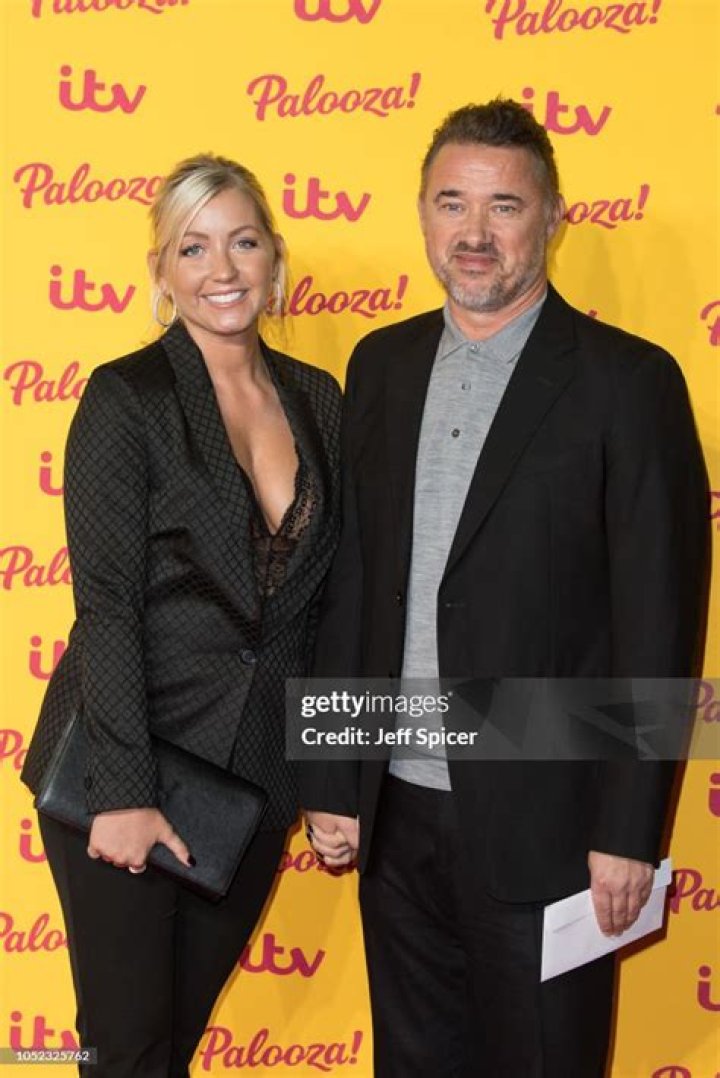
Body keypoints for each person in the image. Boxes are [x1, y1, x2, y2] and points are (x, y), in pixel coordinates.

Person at [301, 100, 709, 1076]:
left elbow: (657, 618)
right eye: (453, 203)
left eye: (504, 206)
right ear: (424, 214)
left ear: (552, 219)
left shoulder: (629, 382)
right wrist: (330, 772)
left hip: (553, 827)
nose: (475, 232)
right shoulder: (381, 363)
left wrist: (628, 833)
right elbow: (354, 578)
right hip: (395, 817)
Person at [21, 153, 342, 1077]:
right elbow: (107, 603)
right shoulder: (128, 398)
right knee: (127, 1052)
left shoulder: (320, 401)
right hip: (127, 767)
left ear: (274, 257)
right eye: (193, 248)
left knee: (175, 1046)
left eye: (243, 242)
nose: (222, 269)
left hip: (255, 786)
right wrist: (123, 794)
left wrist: (335, 775)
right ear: (162, 271)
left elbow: (331, 607)